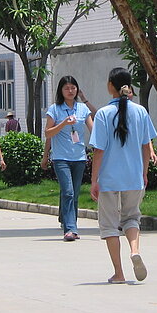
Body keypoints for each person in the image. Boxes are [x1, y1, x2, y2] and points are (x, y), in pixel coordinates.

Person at [89, 68, 155, 284]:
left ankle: (119, 273)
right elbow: (147, 146)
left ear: (111, 86)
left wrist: (94, 180)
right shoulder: (141, 112)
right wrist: (144, 173)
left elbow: (99, 150)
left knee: (109, 225)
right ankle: (134, 250)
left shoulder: (103, 114)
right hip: (134, 177)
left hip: (109, 178)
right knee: (131, 217)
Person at [43, 76, 94, 241]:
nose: (70, 91)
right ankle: (70, 229)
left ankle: (66, 219)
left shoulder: (82, 109)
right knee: (68, 191)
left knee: (75, 193)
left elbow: (93, 129)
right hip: (61, 158)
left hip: (79, 157)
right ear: (61, 91)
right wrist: (63, 123)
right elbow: (48, 133)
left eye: (73, 88)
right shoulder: (55, 109)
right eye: (67, 88)